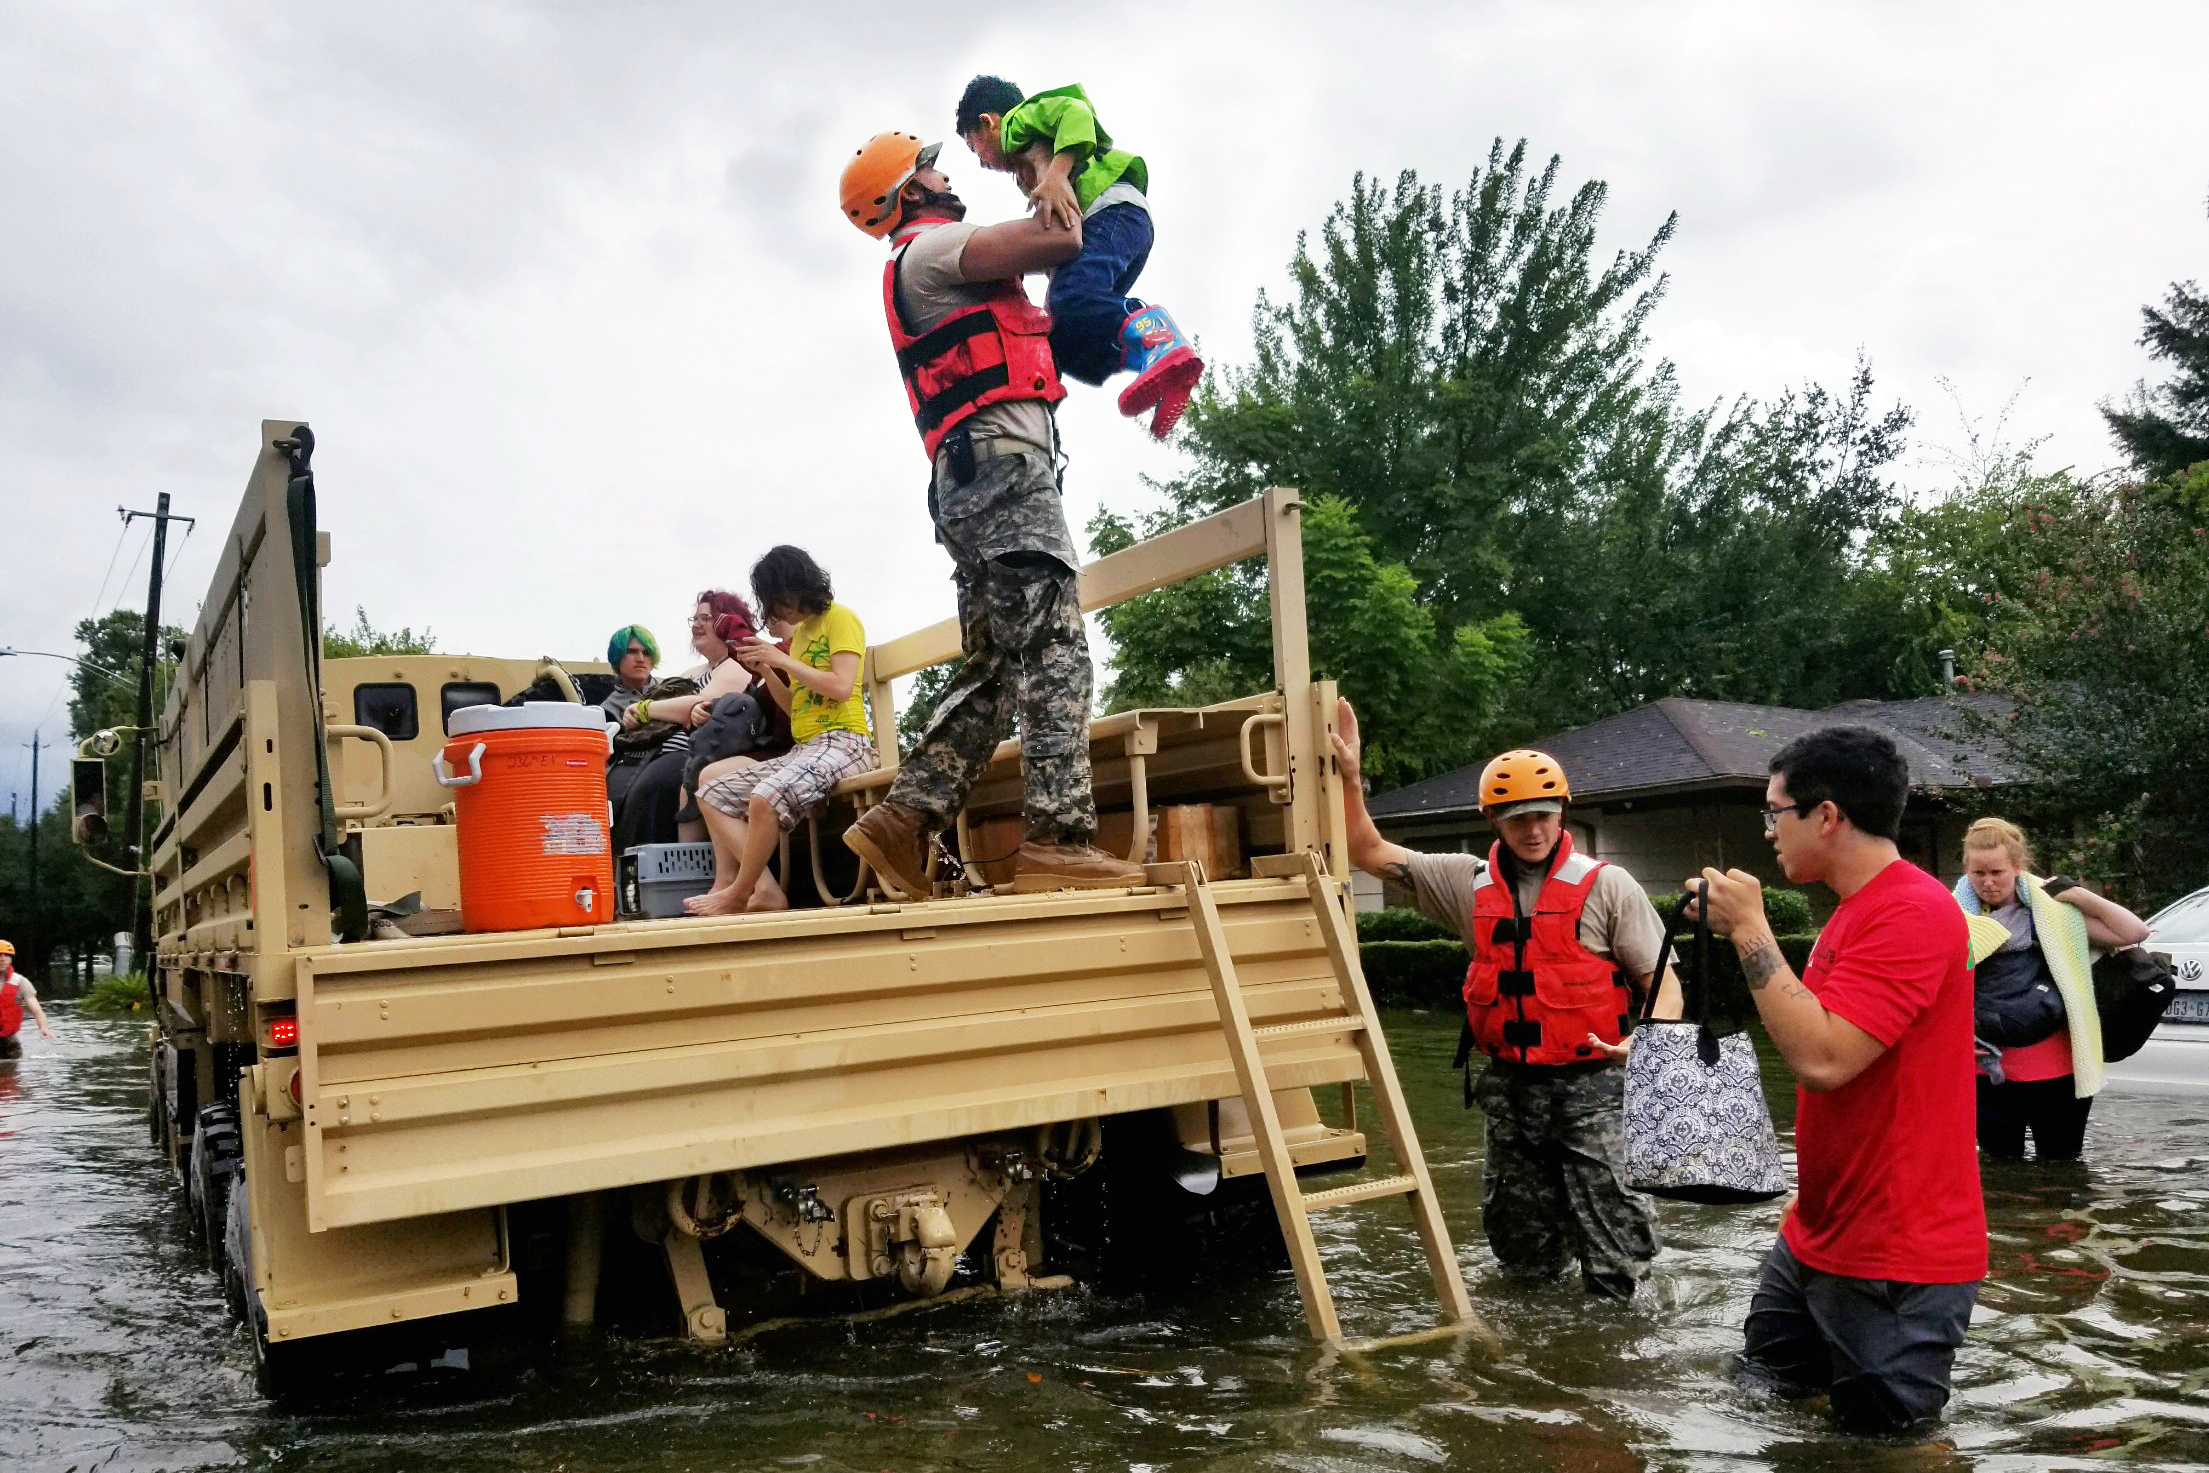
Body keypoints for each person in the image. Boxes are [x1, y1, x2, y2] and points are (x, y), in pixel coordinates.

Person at [835, 131, 1142, 900]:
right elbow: (1062, 236)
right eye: (932, 167)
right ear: (909, 193)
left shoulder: (921, 260)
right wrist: (1052, 169)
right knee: (1055, 648)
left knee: (999, 667)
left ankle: (903, 819)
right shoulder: (932, 250)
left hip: (972, 479)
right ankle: (1057, 841)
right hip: (1002, 474)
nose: (951, 174)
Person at [1330, 699, 1681, 1299]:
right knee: (1519, 1253)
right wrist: (1350, 779)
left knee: (1616, 1249)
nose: (1534, 829)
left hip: (1596, 1088)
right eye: (1518, 818)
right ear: (1494, 820)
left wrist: (1647, 1041)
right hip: (1512, 1093)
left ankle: (1617, 1358)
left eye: (1544, 815)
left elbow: (1664, 983)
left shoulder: (1609, 886)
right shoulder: (1464, 883)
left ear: (1563, 812)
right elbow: (1367, 852)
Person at [1689, 725, 1983, 1434]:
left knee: (1888, 1446)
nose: (1767, 831)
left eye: (1773, 811)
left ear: (1826, 815)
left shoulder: (1910, 910)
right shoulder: (1855, 909)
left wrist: (1749, 930)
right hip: (1818, 1233)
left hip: (1897, 1257)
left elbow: (1823, 1059)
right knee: (1761, 1403)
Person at [954, 75, 1204, 439]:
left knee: (1071, 297)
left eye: (975, 148)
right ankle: (1155, 364)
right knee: (1064, 338)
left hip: (1112, 212)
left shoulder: (1019, 121)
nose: (981, 162)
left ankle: (1158, 338)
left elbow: (1075, 111)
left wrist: (1056, 173)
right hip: (1120, 228)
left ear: (988, 122)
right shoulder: (1028, 157)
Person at [685, 548, 879, 915]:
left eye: (779, 597)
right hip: (808, 747)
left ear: (798, 585)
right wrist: (769, 670)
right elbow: (795, 708)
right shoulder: (803, 636)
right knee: (711, 792)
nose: (777, 608)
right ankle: (765, 891)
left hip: (846, 742)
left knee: (766, 796)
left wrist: (781, 659)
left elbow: (840, 686)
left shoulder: (841, 619)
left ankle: (739, 892)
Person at [1955, 816, 2148, 1161]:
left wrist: (2077, 895)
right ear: (1966, 871)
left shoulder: (2053, 913)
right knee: (2000, 1174)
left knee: (2062, 1170)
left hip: (2057, 1069)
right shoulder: (1953, 918)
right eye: (1978, 874)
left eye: (1997, 872)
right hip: (1984, 1070)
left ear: (2016, 867)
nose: (1988, 883)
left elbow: (2133, 932)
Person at [612, 592, 786, 854]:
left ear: (728, 622)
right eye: (694, 619)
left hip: (696, 754)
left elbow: (702, 702)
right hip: (654, 754)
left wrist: (646, 709)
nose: (696, 624)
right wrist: (634, 714)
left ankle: (666, 874)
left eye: (706, 618)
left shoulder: (737, 664)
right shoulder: (690, 673)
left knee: (654, 785)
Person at [601, 624, 661, 813]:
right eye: (632, 652)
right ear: (617, 658)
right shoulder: (606, 711)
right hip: (630, 778)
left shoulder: (673, 690)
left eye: (646, 652)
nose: (641, 659)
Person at [1, 941, 57, 1059]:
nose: (2, 958)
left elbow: (37, 1010)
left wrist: (43, 1027)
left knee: (10, 1074)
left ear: (11, 959)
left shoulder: (20, 982)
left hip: (8, 1040)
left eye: (6, 955)